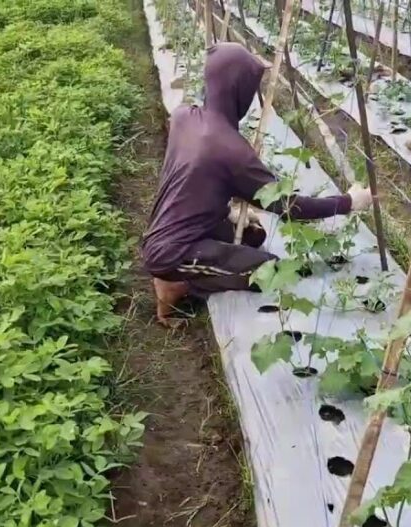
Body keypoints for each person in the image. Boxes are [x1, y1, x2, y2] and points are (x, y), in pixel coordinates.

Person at [141, 42, 372, 326]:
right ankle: (177, 284)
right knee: (269, 270)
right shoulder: (231, 150)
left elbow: (193, 180)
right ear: (240, 89)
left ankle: (193, 268)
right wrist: (348, 202)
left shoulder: (183, 117)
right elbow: (289, 206)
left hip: (171, 229)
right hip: (172, 252)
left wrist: (226, 212)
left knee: (254, 235)